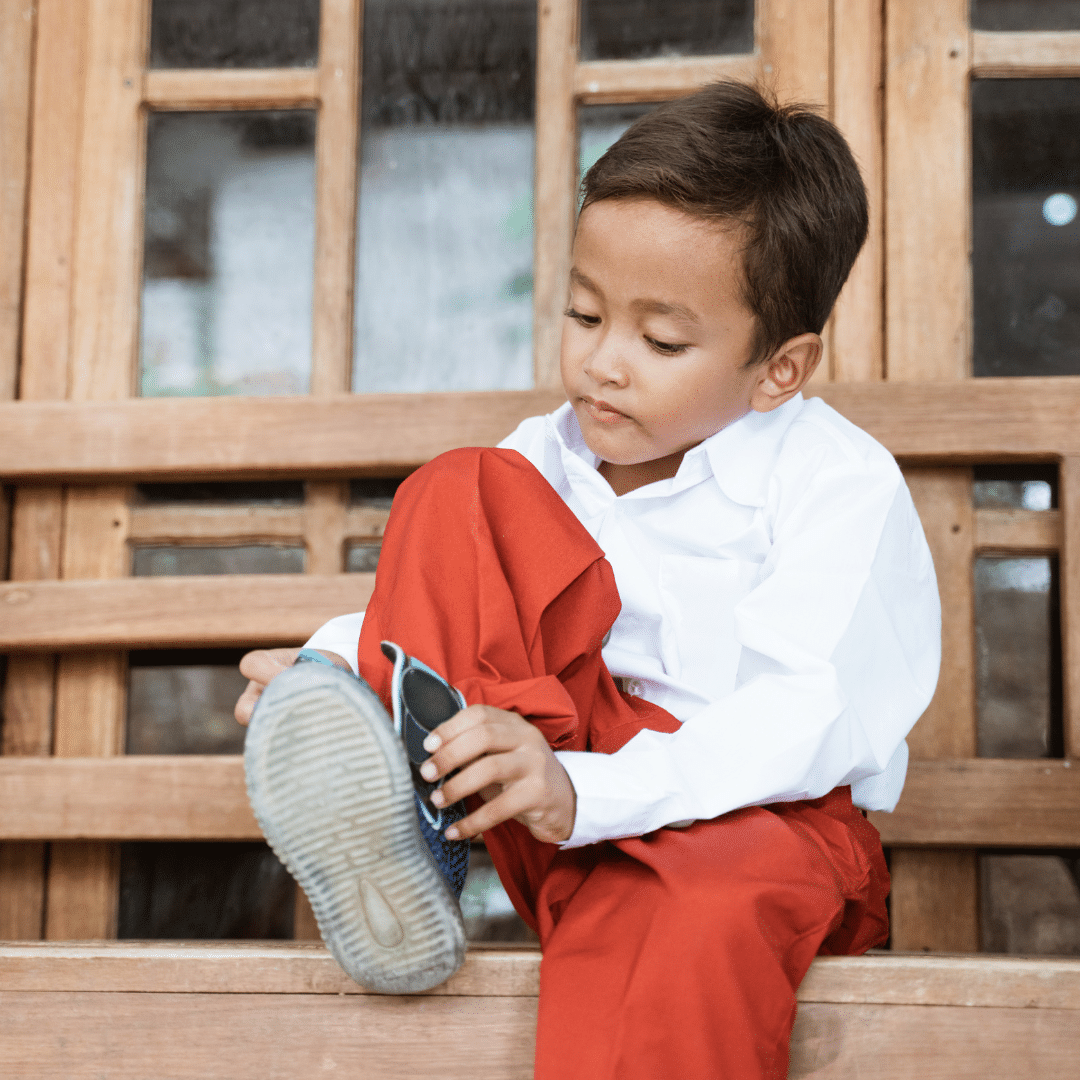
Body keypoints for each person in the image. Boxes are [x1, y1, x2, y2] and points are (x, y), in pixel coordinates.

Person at [235, 80, 940, 1079]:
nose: (603, 363)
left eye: (660, 341)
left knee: (687, 910)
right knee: (460, 487)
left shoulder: (837, 484)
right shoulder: (543, 461)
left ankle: (447, 799)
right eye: (584, 312)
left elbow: (802, 719)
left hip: (760, 822)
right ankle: (414, 821)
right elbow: (478, 619)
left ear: (780, 368)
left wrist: (588, 791)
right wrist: (331, 670)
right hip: (545, 792)